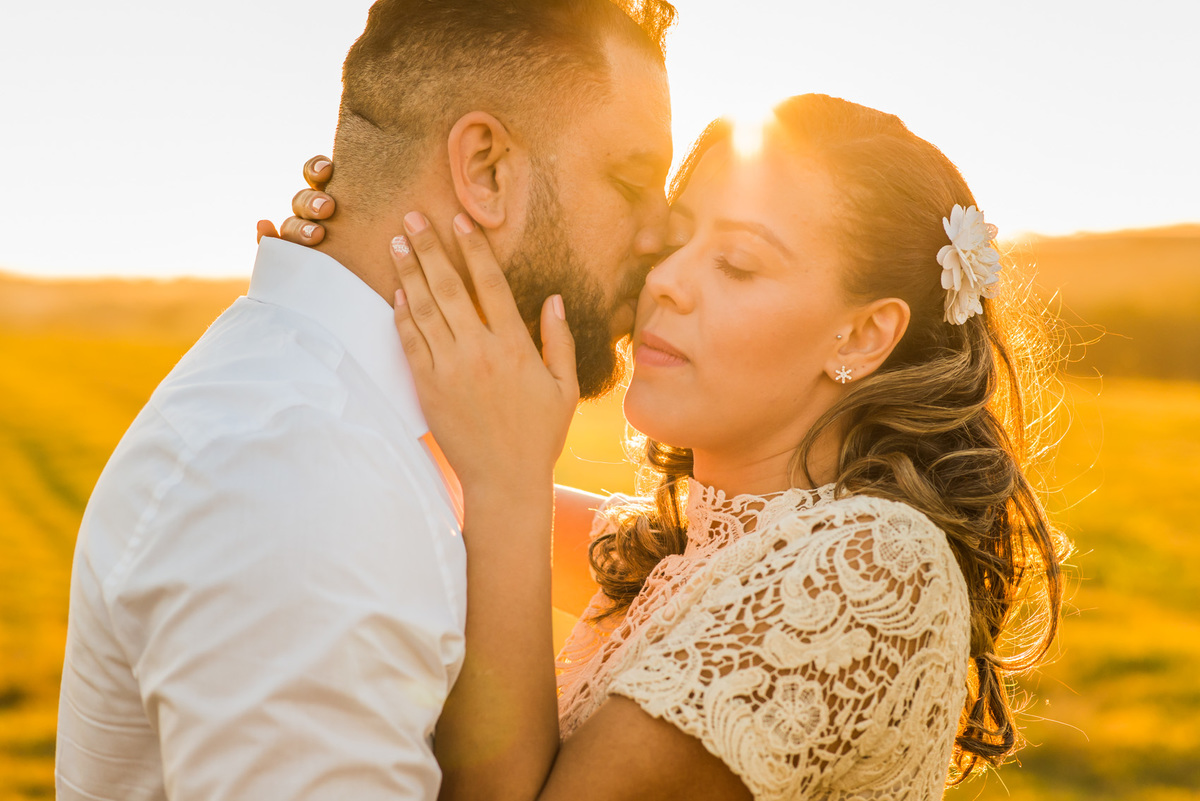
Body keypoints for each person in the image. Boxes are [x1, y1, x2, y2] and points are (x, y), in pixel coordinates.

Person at [278, 94, 1070, 798]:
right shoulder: (684, 551)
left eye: (736, 263)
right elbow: (415, 465)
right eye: (676, 242)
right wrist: (359, 269)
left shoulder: (872, 561)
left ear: (863, 335)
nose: (667, 283)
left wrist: (509, 481)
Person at [55, 2, 678, 799]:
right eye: (631, 181)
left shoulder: (375, 428)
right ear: (485, 168)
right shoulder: (293, 476)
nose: (666, 236)